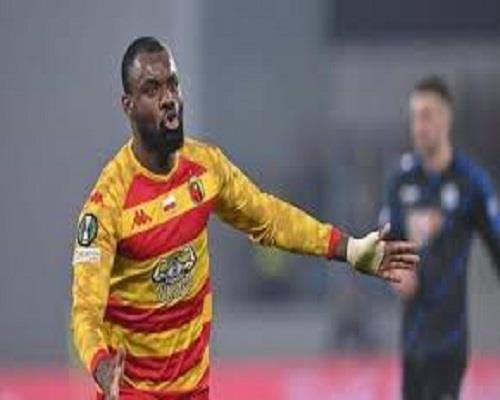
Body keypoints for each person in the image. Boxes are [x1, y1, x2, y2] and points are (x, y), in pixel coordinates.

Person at [71, 36, 419, 400]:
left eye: (173, 84)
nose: (168, 98)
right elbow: (85, 309)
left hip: (194, 391)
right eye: (152, 90)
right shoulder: (106, 205)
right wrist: (101, 365)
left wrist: (348, 248)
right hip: (130, 393)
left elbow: (269, 217)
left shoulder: (205, 168)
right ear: (128, 105)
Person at [382, 76, 500, 400]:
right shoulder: (401, 180)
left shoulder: (471, 183)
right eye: (415, 117)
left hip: (449, 341)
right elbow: (386, 246)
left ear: (446, 119)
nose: (419, 126)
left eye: (427, 115)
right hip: (412, 342)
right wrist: (395, 271)